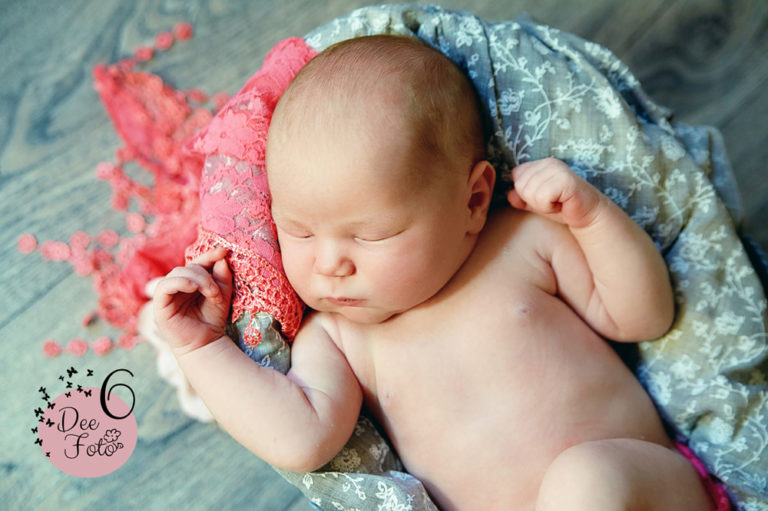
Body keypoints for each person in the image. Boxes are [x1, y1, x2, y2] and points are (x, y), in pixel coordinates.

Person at [153, 35, 724, 510]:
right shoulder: (340, 338)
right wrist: (201, 349)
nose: (329, 263)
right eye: (298, 232)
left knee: (587, 481)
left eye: (371, 233)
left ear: (474, 201)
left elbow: (644, 317)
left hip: (646, 491)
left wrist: (593, 218)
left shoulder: (522, 244)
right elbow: (298, 439)